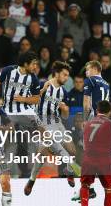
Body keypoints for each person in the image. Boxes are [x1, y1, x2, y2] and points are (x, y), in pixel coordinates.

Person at [25, 61, 79, 194]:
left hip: (57, 122)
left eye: (67, 76)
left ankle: (68, 170)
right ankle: (32, 179)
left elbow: (65, 116)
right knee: (43, 155)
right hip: (42, 122)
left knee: (72, 150)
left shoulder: (63, 92)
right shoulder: (44, 83)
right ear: (56, 73)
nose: (66, 78)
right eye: (64, 75)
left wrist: (65, 109)